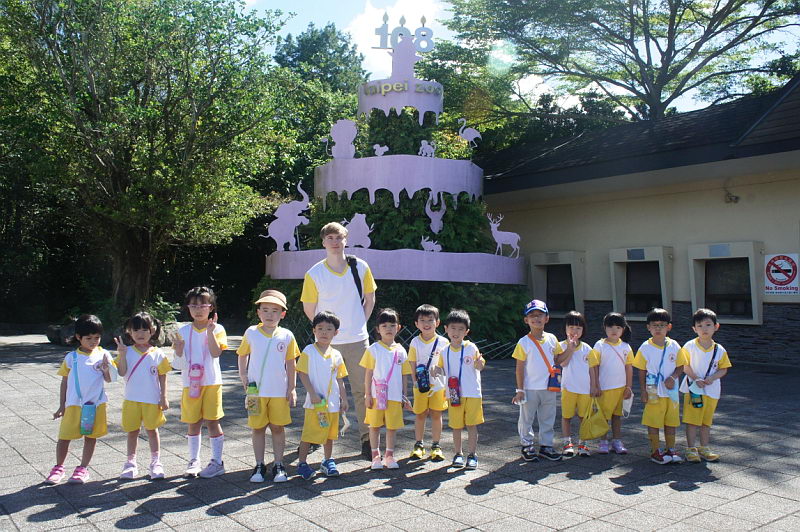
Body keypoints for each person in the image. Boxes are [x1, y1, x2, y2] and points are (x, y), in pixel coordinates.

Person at [301, 222, 377, 458]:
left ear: (346, 240)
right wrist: (325, 333)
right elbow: (309, 308)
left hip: (357, 340)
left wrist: (360, 322)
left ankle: (367, 439)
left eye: (339, 237)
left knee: (363, 392)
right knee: (320, 391)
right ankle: (316, 435)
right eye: (330, 238)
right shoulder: (314, 273)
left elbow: (370, 299)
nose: (335, 242)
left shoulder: (360, 267)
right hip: (326, 345)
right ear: (323, 242)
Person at [237, 290, 300, 483]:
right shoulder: (251, 333)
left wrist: (292, 388)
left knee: (278, 427)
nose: (269, 314)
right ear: (258, 312)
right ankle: (259, 464)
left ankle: (279, 463)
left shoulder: (287, 335)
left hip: (279, 391)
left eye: (275, 310)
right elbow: (242, 354)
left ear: (283, 314)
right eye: (265, 310)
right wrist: (243, 375)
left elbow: (291, 363)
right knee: (257, 428)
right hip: (255, 392)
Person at [45, 314, 114, 485]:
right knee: (64, 436)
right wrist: (62, 405)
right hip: (74, 405)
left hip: (95, 405)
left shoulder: (104, 354)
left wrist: (106, 369)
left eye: (97, 337)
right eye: (88, 338)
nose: (93, 342)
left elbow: (109, 379)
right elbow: (64, 381)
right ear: (78, 337)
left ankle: (83, 468)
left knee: (91, 437)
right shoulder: (71, 357)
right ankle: (58, 467)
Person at [172, 286, 228, 478]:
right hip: (190, 384)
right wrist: (178, 350)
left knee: (213, 421)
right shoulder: (183, 331)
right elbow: (178, 364)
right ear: (187, 307)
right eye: (193, 305)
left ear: (211, 307)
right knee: (193, 422)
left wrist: (210, 332)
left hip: (212, 382)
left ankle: (217, 462)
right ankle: (194, 460)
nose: (198, 309)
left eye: (203, 305)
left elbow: (215, 353)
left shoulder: (218, 329)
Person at [114, 312, 171, 480]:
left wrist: (164, 396)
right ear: (129, 332)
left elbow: (163, 376)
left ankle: (156, 462)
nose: (140, 333)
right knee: (132, 431)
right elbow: (121, 372)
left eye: (144, 329)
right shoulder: (126, 352)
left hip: (152, 400)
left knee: (152, 431)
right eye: (136, 330)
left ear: (152, 331)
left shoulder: (158, 353)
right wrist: (121, 354)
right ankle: (130, 463)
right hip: (131, 399)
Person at [296, 311, 349, 479]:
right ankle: (302, 463)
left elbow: (340, 379)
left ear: (336, 332)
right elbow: (302, 373)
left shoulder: (337, 354)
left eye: (329, 329)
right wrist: (312, 393)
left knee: (329, 434)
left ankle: (327, 460)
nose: (324, 332)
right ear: (314, 330)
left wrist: (344, 399)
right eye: (320, 328)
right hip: (315, 403)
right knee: (309, 433)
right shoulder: (309, 351)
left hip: (332, 403)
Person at [511, 300, 563, 462]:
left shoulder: (552, 339)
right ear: (526, 320)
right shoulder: (523, 342)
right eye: (532, 316)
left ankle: (546, 446)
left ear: (547, 318)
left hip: (549, 388)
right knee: (526, 419)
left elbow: (558, 360)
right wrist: (520, 390)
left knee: (548, 418)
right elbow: (519, 368)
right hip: (529, 388)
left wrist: (570, 348)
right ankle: (526, 444)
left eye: (540, 315)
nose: (536, 318)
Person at [633, 308, 687, 464]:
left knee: (671, 420)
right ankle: (655, 450)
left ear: (669, 327)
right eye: (654, 325)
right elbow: (641, 370)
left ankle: (671, 449)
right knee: (653, 420)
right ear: (648, 327)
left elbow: (681, 365)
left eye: (662, 325)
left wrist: (673, 377)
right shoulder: (645, 347)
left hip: (671, 389)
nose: (658, 328)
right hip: (653, 388)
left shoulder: (674, 345)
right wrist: (643, 391)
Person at [360, 308, 411, 469]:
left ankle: (389, 455)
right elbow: (368, 374)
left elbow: (404, 375)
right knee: (374, 426)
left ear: (398, 327)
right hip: (376, 396)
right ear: (378, 329)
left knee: (392, 427)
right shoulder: (373, 349)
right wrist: (367, 395)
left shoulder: (401, 350)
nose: (388, 328)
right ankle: (375, 456)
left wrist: (404, 395)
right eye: (384, 326)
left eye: (392, 325)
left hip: (394, 396)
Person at [680, 308, 732, 463]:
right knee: (692, 420)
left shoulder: (719, 349)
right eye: (700, 326)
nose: (704, 329)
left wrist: (712, 378)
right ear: (694, 329)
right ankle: (690, 448)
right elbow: (684, 365)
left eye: (708, 325)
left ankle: (704, 447)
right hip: (693, 389)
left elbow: (723, 369)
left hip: (712, 390)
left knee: (706, 421)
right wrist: (695, 378)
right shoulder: (689, 346)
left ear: (716, 326)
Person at [439, 309, 485, 470]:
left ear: (466, 331)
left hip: (472, 393)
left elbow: (480, 365)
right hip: (453, 394)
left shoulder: (471, 348)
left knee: (472, 425)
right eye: (453, 328)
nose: (456, 332)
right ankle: (458, 454)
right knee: (456, 426)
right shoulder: (444, 351)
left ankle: (472, 455)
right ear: (446, 329)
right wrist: (436, 371)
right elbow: (441, 369)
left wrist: (479, 363)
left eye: (460, 329)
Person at [588, 312, 634, 454]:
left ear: (623, 329)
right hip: (604, 387)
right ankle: (603, 441)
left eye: (618, 327)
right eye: (611, 327)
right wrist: (595, 385)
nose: (614, 330)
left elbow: (629, 368)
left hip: (620, 388)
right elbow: (593, 366)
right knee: (603, 416)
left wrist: (629, 387)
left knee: (617, 416)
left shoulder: (626, 347)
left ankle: (617, 441)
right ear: (605, 328)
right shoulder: (600, 345)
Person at [408, 304, 448, 462]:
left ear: (437, 322)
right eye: (422, 320)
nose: (426, 323)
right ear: (416, 323)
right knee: (420, 414)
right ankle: (419, 444)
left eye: (430, 320)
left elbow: (447, 364)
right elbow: (412, 362)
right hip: (421, 385)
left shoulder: (443, 342)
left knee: (436, 414)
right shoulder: (415, 342)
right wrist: (414, 381)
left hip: (438, 385)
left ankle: (436, 445)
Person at [558, 311, 593, 457]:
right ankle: (567, 443)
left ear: (583, 330)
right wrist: (570, 349)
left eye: (578, 328)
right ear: (565, 328)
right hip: (568, 388)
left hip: (585, 389)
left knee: (584, 417)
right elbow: (563, 363)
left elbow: (592, 369)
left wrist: (594, 386)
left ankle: (583, 443)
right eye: (571, 327)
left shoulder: (587, 348)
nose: (574, 331)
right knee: (566, 416)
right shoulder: (561, 346)